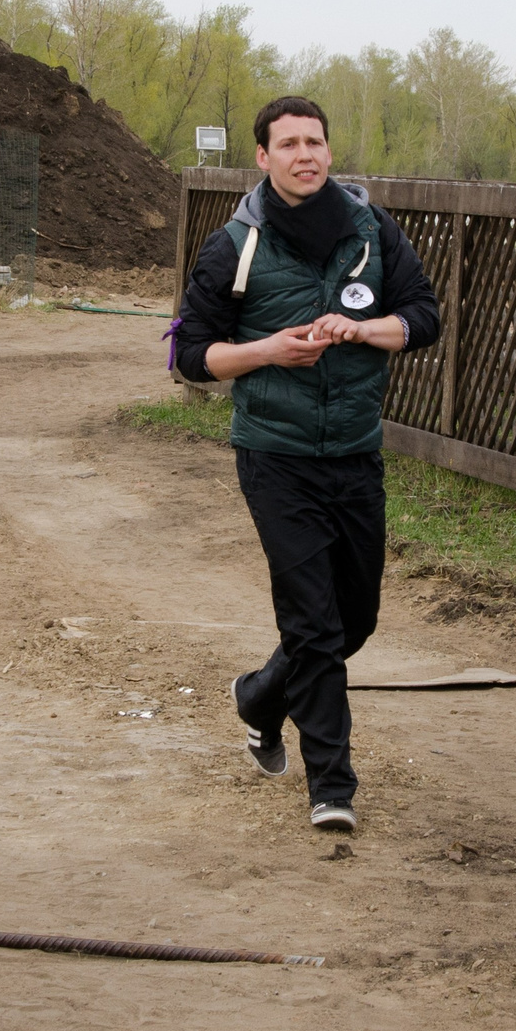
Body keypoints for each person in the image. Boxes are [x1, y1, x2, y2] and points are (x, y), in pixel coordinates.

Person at [170, 96, 442, 833]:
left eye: (314, 142)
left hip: (355, 453)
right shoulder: (234, 246)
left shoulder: (372, 229)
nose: (304, 155)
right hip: (276, 458)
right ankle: (333, 786)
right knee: (314, 624)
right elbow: (191, 357)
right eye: (287, 144)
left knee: (355, 620)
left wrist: (361, 328)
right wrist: (269, 350)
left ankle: (259, 697)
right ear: (263, 158)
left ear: (328, 150)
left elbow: (423, 317)